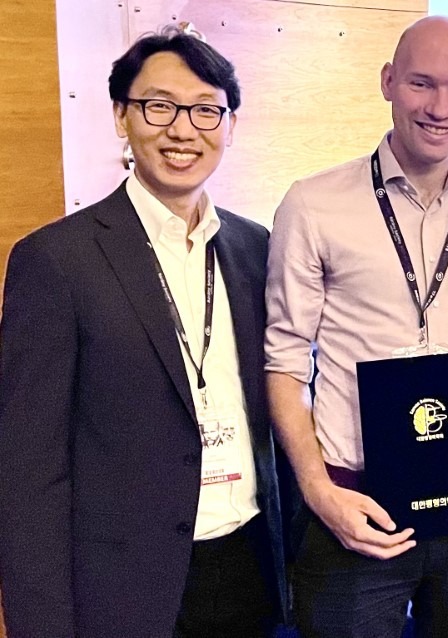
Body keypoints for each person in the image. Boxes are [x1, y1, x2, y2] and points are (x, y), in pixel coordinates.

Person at [0, 28, 287, 637]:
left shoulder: (256, 248)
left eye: (207, 109)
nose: (184, 130)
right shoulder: (55, 261)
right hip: (125, 590)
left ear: (229, 124)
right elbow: (27, 472)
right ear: (120, 117)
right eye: (159, 106)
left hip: (249, 569)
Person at [265, 16, 448, 637]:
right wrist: (315, 487)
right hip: (355, 503)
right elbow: (283, 361)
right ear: (388, 82)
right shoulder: (313, 204)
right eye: (422, 84)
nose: (442, 107)